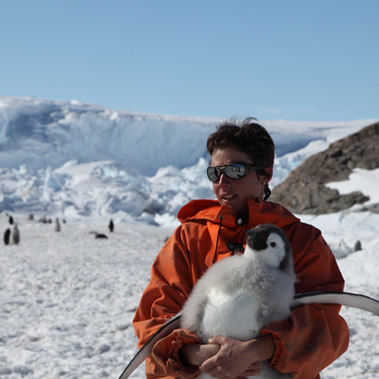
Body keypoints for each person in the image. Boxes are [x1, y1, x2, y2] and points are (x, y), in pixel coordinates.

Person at [132, 118, 349, 378]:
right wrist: (201, 354)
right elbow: (154, 320)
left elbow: (324, 328)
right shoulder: (189, 238)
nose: (222, 181)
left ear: (264, 174)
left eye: (235, 170)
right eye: (215, 172)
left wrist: (255, 350)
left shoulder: (302, 241)